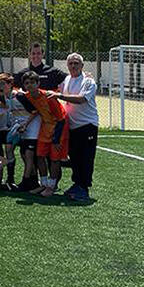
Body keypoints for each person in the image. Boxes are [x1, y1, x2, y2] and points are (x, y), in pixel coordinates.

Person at [16, 71, 69, 197]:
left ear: (38, 83)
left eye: (33, 83)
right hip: (45, 127)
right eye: (27, 83)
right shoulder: (27, 96)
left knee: (54, 158)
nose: (30, 86)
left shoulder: (48, 97)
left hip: (59, 127)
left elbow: (61, 119)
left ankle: (51, 186)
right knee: (40, 156)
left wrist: (56, 138)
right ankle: (43, 184)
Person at [55, 53, 99, 202]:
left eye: (76, 63)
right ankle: (77, 184)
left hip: (87, 125)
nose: (73, 66)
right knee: (74, 156)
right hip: (72, 126)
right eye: (71, 63)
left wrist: (60, 96)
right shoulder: (67, 79)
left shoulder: (88, 82)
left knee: (85, 158)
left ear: (82, 66)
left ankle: (84, 188)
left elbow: (81, 99)